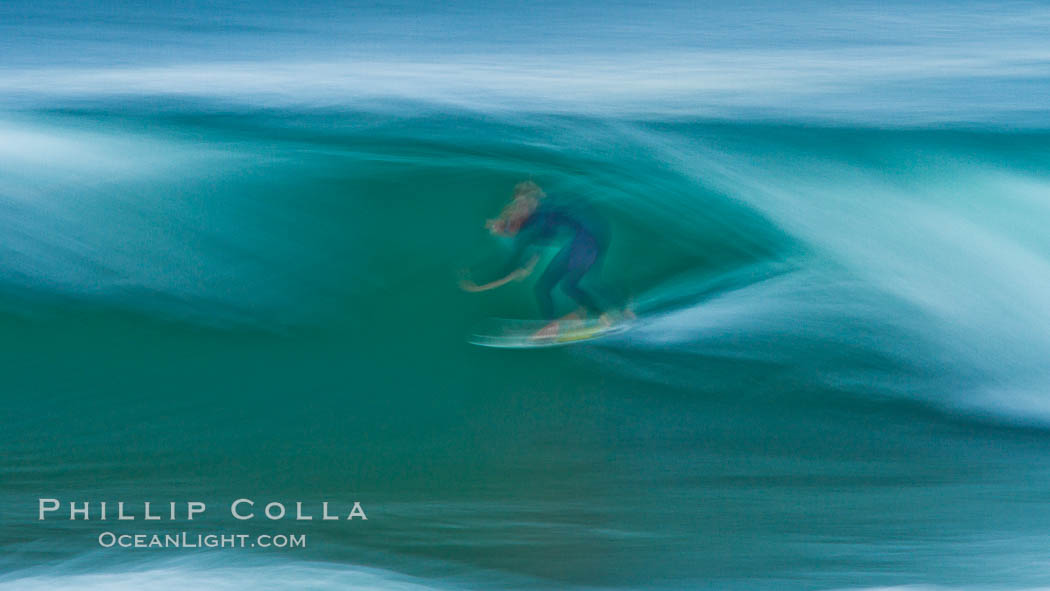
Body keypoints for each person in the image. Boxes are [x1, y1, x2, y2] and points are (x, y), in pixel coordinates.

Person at [461, 181, 628, 338]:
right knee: (567, 284)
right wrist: (527, 263)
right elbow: (538, 242)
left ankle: (598, 317)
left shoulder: (537, 218)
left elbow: (514, 260)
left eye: (524, 202)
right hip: (591, 235)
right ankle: (618, 307)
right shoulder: (537, 215)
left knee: (560, 286)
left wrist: (479, 285)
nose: (521, 206)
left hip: (587, 237)